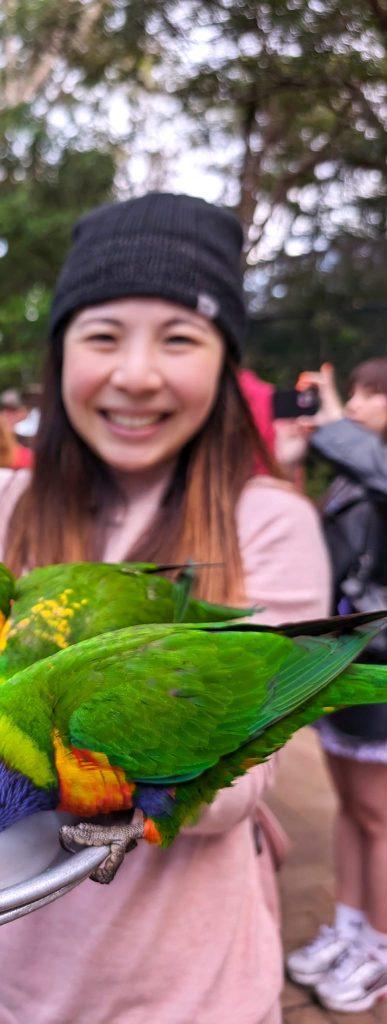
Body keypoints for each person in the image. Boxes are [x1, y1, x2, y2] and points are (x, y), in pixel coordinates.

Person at [0, 194, 331, 1024]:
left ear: (225, 366)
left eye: (179, 338)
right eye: (103, 335)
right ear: (59, 354)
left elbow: (230, 792)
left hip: (184, 997)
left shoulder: (268, 524)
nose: (137, 373)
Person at [284, 358, 387, 1013]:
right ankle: (348, 929)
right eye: (350, 391)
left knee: (380, 818)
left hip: (381, 672)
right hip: (345, 663)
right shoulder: (352, 479)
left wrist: (323, 414)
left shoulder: (371, 467)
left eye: (370, 393)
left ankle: (378, 950)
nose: (354, 404)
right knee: (351, 810)